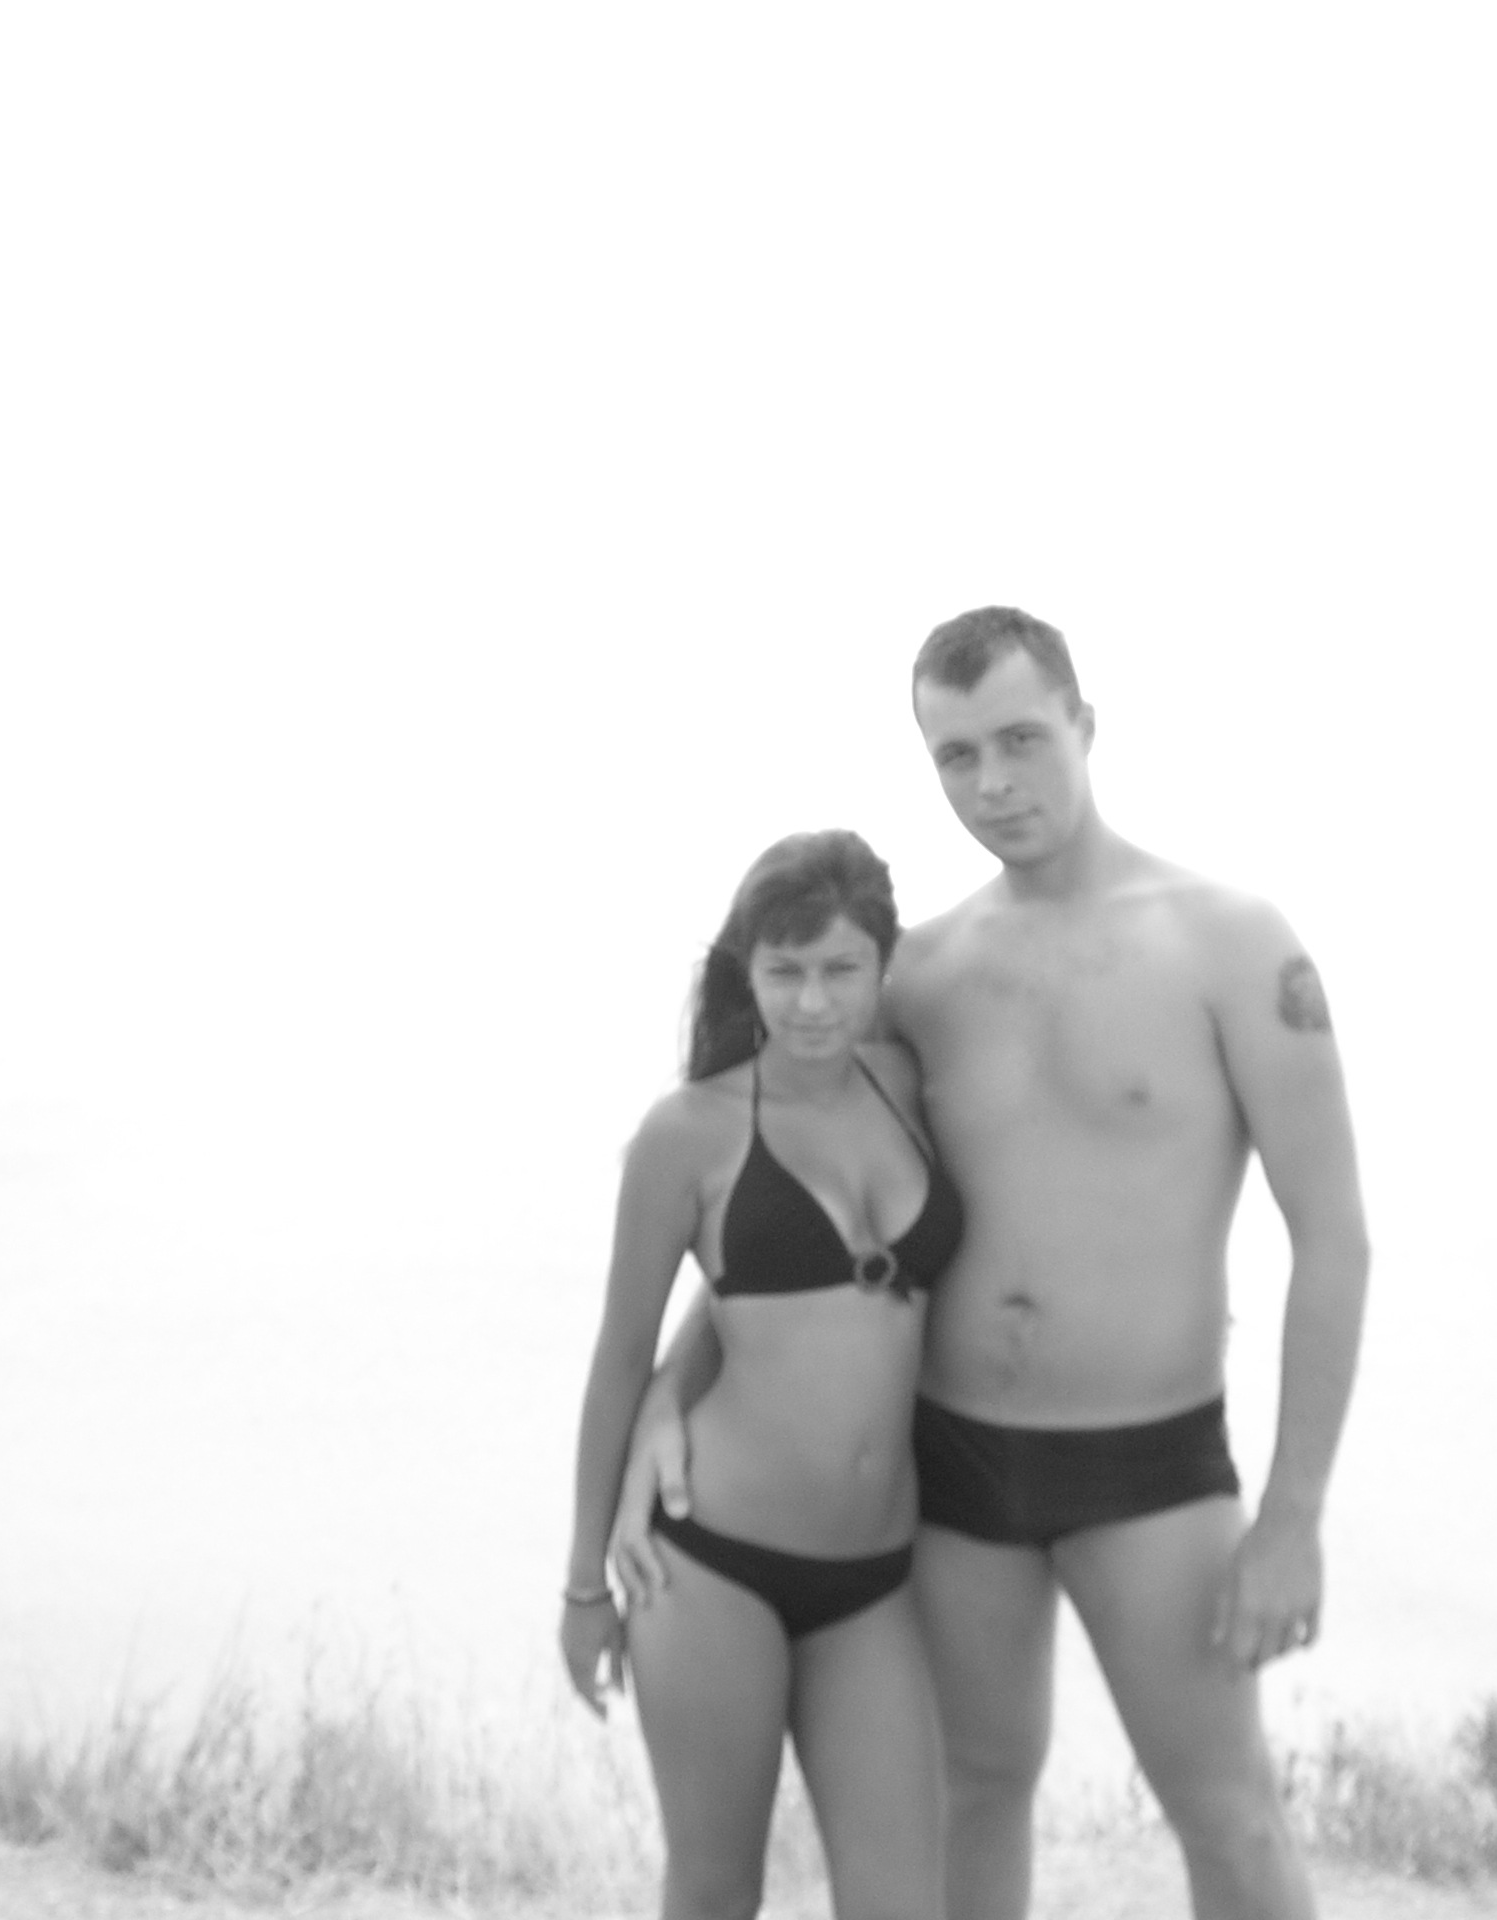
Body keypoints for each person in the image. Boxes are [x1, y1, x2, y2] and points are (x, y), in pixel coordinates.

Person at [614, 609, 1371, 1920]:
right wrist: (663, 1405)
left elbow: (1335, 1240)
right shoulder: (918, 975)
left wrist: (1294, 1517)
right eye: (955, 756)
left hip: (1147, 1465)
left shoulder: (1233, 945)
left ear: (1086, 725)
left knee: (1228, 1812)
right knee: (975, 1787)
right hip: (954, 1462)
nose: (992, 784)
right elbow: (791, 1229)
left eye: (1021, 741)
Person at [562, 829, 964, 1920]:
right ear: (747, 971)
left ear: (882, 966)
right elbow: (619, 1358)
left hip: (874, 1576)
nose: (813, 1003)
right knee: (715, 1891)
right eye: (784, 971)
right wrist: (585, 1584)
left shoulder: (908, 1088)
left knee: (904, 1904)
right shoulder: (687, 1134)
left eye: (841, 969)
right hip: (711, 1567)